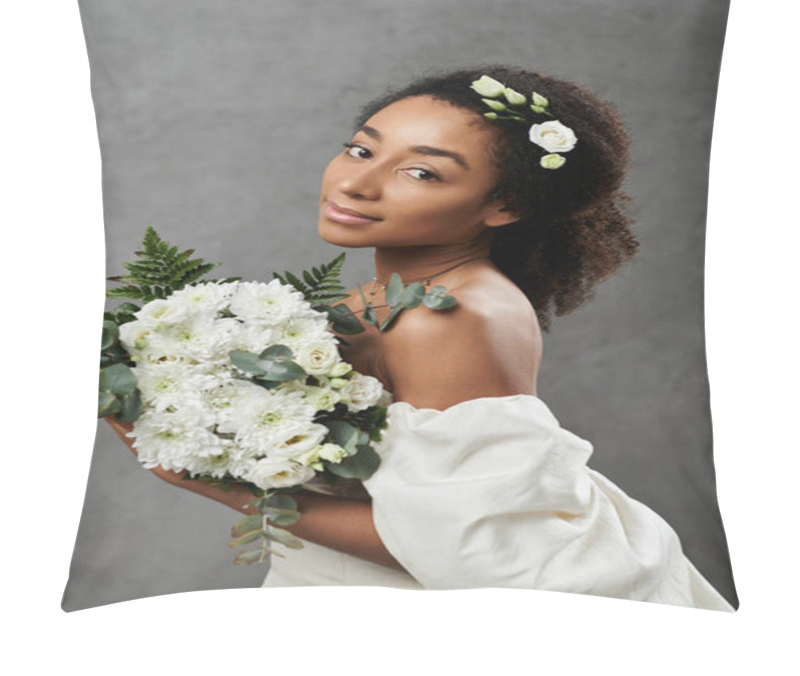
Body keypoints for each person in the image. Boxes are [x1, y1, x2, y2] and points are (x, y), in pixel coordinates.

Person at [106, 65, 735, 611]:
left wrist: (202, 479)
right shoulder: (379, 298)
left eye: (421, 172)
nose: (356, 183)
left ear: (506, 205)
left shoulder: (449, 316)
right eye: (360, 149)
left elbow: (474, 556)